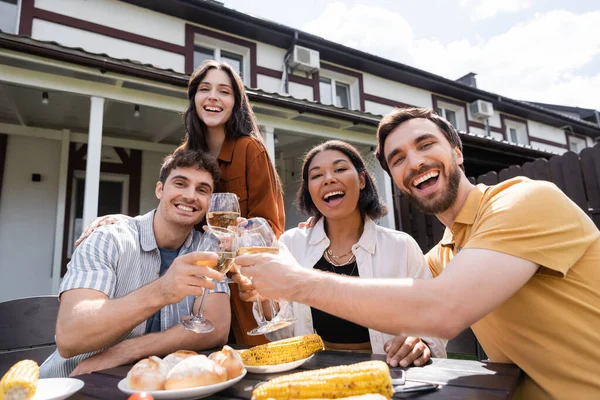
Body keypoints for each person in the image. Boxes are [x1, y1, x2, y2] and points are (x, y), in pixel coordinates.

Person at [235, 108, 600, 399]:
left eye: (426, 144)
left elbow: (440, 309)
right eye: (398, 159)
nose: (414, 163)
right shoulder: (442, 255)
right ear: (394, 178)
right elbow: (413, 306)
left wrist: (296, 281)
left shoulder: (525, 200)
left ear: (457, 151)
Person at [76, 60, 285, 345]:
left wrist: (235, 240)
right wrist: (124, 220)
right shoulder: (183, 153)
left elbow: (271, 227)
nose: (213, 96)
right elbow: (172, 212)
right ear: (194, 98)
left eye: (224, 91)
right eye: (204, 89)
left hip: (244, 286)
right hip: (195, 287)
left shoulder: (251, 150)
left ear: (236, 102)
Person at [234, 140, 446, 366]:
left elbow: (434, 321)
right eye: (316, 176)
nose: (328, 179)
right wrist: (265, 299)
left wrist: (421, 341)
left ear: (362, 179)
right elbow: (282, 335)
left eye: (340, 169)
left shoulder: (401, 247)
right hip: (311, 375)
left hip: (389, 372)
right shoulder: (290, 245)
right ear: (310, 190)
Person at [40, 150, 230, 378]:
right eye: (180, 183)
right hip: (74, 382)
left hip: (147, 385)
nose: (190, 196)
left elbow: (216, 328)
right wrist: (162, 291)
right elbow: (71, 336)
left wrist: (126, 351)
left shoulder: (208, 249)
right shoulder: (106, 239)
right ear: (160, 189)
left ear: (209, 202)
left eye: (202, 190)